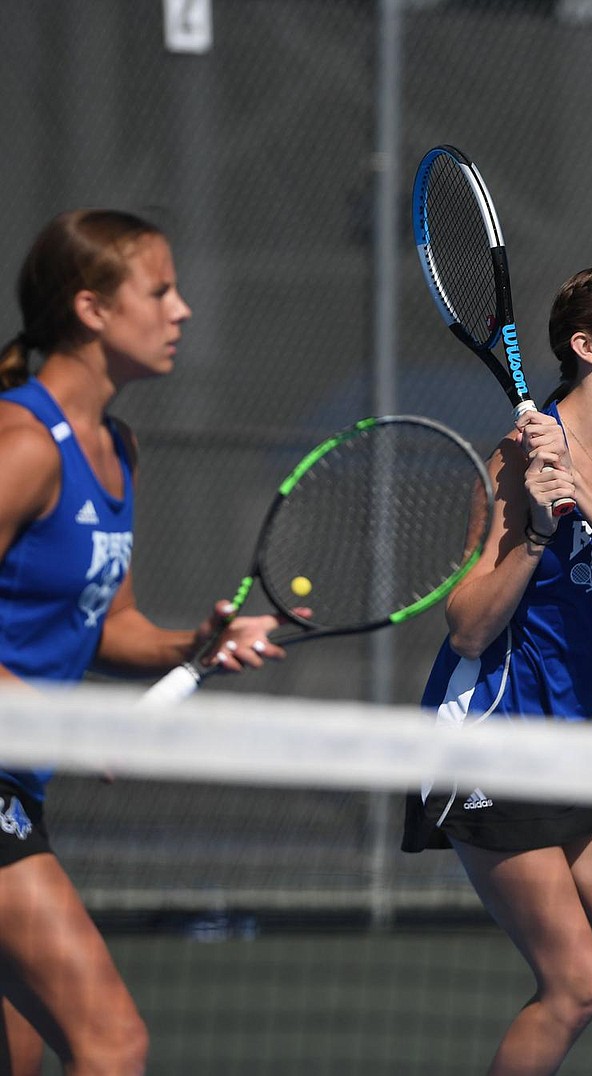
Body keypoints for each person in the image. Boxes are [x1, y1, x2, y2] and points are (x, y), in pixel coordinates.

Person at [0, 209, 294, 1074]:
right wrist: (59, 725)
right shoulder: (20, 444)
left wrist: (190, 647)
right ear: (92, 310)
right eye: (159, 291)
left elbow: (106, 622)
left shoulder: (117, 448)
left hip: (20, 784)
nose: (183, 311)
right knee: (113, 1043)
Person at [403, 266, 592, 1075]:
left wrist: (585, 497)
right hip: (486, 741)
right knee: (575, 989)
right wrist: (535, 531)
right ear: (585, 345)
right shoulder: (513, 458)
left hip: (571, 739)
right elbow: (466, 629)